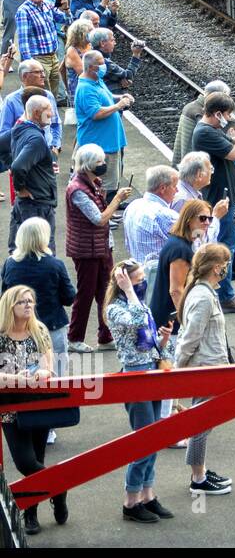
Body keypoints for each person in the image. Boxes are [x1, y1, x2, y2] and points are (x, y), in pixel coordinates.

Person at [105, 259, 175, 524]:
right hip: (134, 376)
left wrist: (163, 339)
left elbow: (149, 342)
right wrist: (129, 291)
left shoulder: (140, 303)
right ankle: (130, 501)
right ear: (123, 282)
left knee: (154, 438)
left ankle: (147, 495)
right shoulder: (115, 309)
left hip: (151, 370)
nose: (143, 283)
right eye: (138, 280)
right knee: (143, 441)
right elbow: (135, 321)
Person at [0, 285, 64, 535]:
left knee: (37, 459)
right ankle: (59, 488)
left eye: (30, 301)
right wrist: (17, 379)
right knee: (26, 462)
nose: (28, 305)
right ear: (10, 306)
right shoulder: (0, 334)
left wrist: (40, 374)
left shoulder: (40, 330)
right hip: (8, 408)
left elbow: (49, 367)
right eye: (22, 302)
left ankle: (31, 514)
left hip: (37, 404)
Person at [174, 243, 234, 496]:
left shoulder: (202, 292)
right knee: (201, 422)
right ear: (217, 268)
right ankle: (198, 478)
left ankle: (200, 471)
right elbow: (190, 337)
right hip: (206, 368)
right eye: (225, 264)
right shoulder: (203, 297)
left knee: (203, 421)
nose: (227, 269)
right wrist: (177, 370)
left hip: (209, 365)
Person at [192, 92, 235, 312]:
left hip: (226, 195)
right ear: (218, 113)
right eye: (228, 114)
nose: (229, 118)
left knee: (228, 244)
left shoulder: (211, 130)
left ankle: (226, 292)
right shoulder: (204, 132)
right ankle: (225, 297)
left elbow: (231, 142)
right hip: (220, 198)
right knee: (225, 247)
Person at [65, 143, 132, 353]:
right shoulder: (77, 190)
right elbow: (99, 219)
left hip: (100, 246)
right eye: (100, 161)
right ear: (87, 165)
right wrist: (117, 199)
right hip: (87, 250)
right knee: (85, 294)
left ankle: (106, 336)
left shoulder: (92, 183)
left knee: (106, 292)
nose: (104, 164)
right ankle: (74, 337)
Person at [3, 217, 75, 387]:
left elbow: (5, 296)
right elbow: (69, 297)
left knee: (20, 375)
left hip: (19, 328)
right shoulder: (55, 265)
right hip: (52, 326)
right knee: (55, 375)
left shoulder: (9, 264)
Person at [74, 50, 133, 214]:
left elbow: (105, 96)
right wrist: (118, 106)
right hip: (100, 145)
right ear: (91, 67)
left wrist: (119, 97)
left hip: (109, 142)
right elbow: (96, 113)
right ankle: (103, 215)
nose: (104, 66)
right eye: (101, 63)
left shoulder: (96, 80)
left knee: (109, 182)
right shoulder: (86, 88)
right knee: (102, 185)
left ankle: (107, 211)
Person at [150, 199, 212, 333]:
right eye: (202, 218)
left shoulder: (186, 241)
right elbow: (176, 291)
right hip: (171, 322)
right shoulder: (180, 249)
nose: (207, 222)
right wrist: (189, 322)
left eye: (209, 219)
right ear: (189, 219)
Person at [8, 94, 59, 253]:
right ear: (37, 113)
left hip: (27, 204)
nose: (52, 114)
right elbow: (18, 167)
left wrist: (44, 166)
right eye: (48, 110)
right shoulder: (36, 138)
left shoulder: (20, 129)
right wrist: (20, 188)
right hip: (37, 204)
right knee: (42, 252)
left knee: (20, 249)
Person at [122, 165, 182, 287]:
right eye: (175, 186)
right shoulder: (166, 215)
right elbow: (193, 244)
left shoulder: (132, 206)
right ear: (163, 188)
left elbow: (128, 244)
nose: (177, 191)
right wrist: (215, 218)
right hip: (160, 280)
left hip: (136, 276)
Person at [14, 0, 69, 98]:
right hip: (38, 58)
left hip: (53, 57)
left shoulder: (47, 6)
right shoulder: (24, 11)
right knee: (42, 94)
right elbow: (23, 40)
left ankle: (52, 109)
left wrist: (65, 7)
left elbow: (66, 19)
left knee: (53, 93)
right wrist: (30, 64)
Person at [0, 59, 63, 154]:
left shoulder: (48, 95)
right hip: (24, 153)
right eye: (38, 72)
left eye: (43, 71)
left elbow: (55, 123)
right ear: (25, 76)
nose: (43, 75)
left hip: (47, 152)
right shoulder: (11, 101)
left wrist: (55, 146)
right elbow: (4, 133)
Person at [172, 80, 229, 166]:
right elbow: (210, 136)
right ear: (217, 96)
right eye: (225, 97)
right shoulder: (202, 113)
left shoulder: (190, 106)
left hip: (184, 160)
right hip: (193, 164)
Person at [90, 28, 142, 93]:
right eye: (112, 40)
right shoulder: (104, 62)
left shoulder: (91, 56)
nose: (115, 43)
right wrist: (136, 54)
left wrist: (120, 78)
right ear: (102, 43)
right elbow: (128, 75)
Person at [63, 18, 93, 102]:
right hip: (79, 90)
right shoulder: (72, 50)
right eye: (90, 31)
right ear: (81, 34)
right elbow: (84, 73)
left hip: (91, 87)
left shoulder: (90, 45)